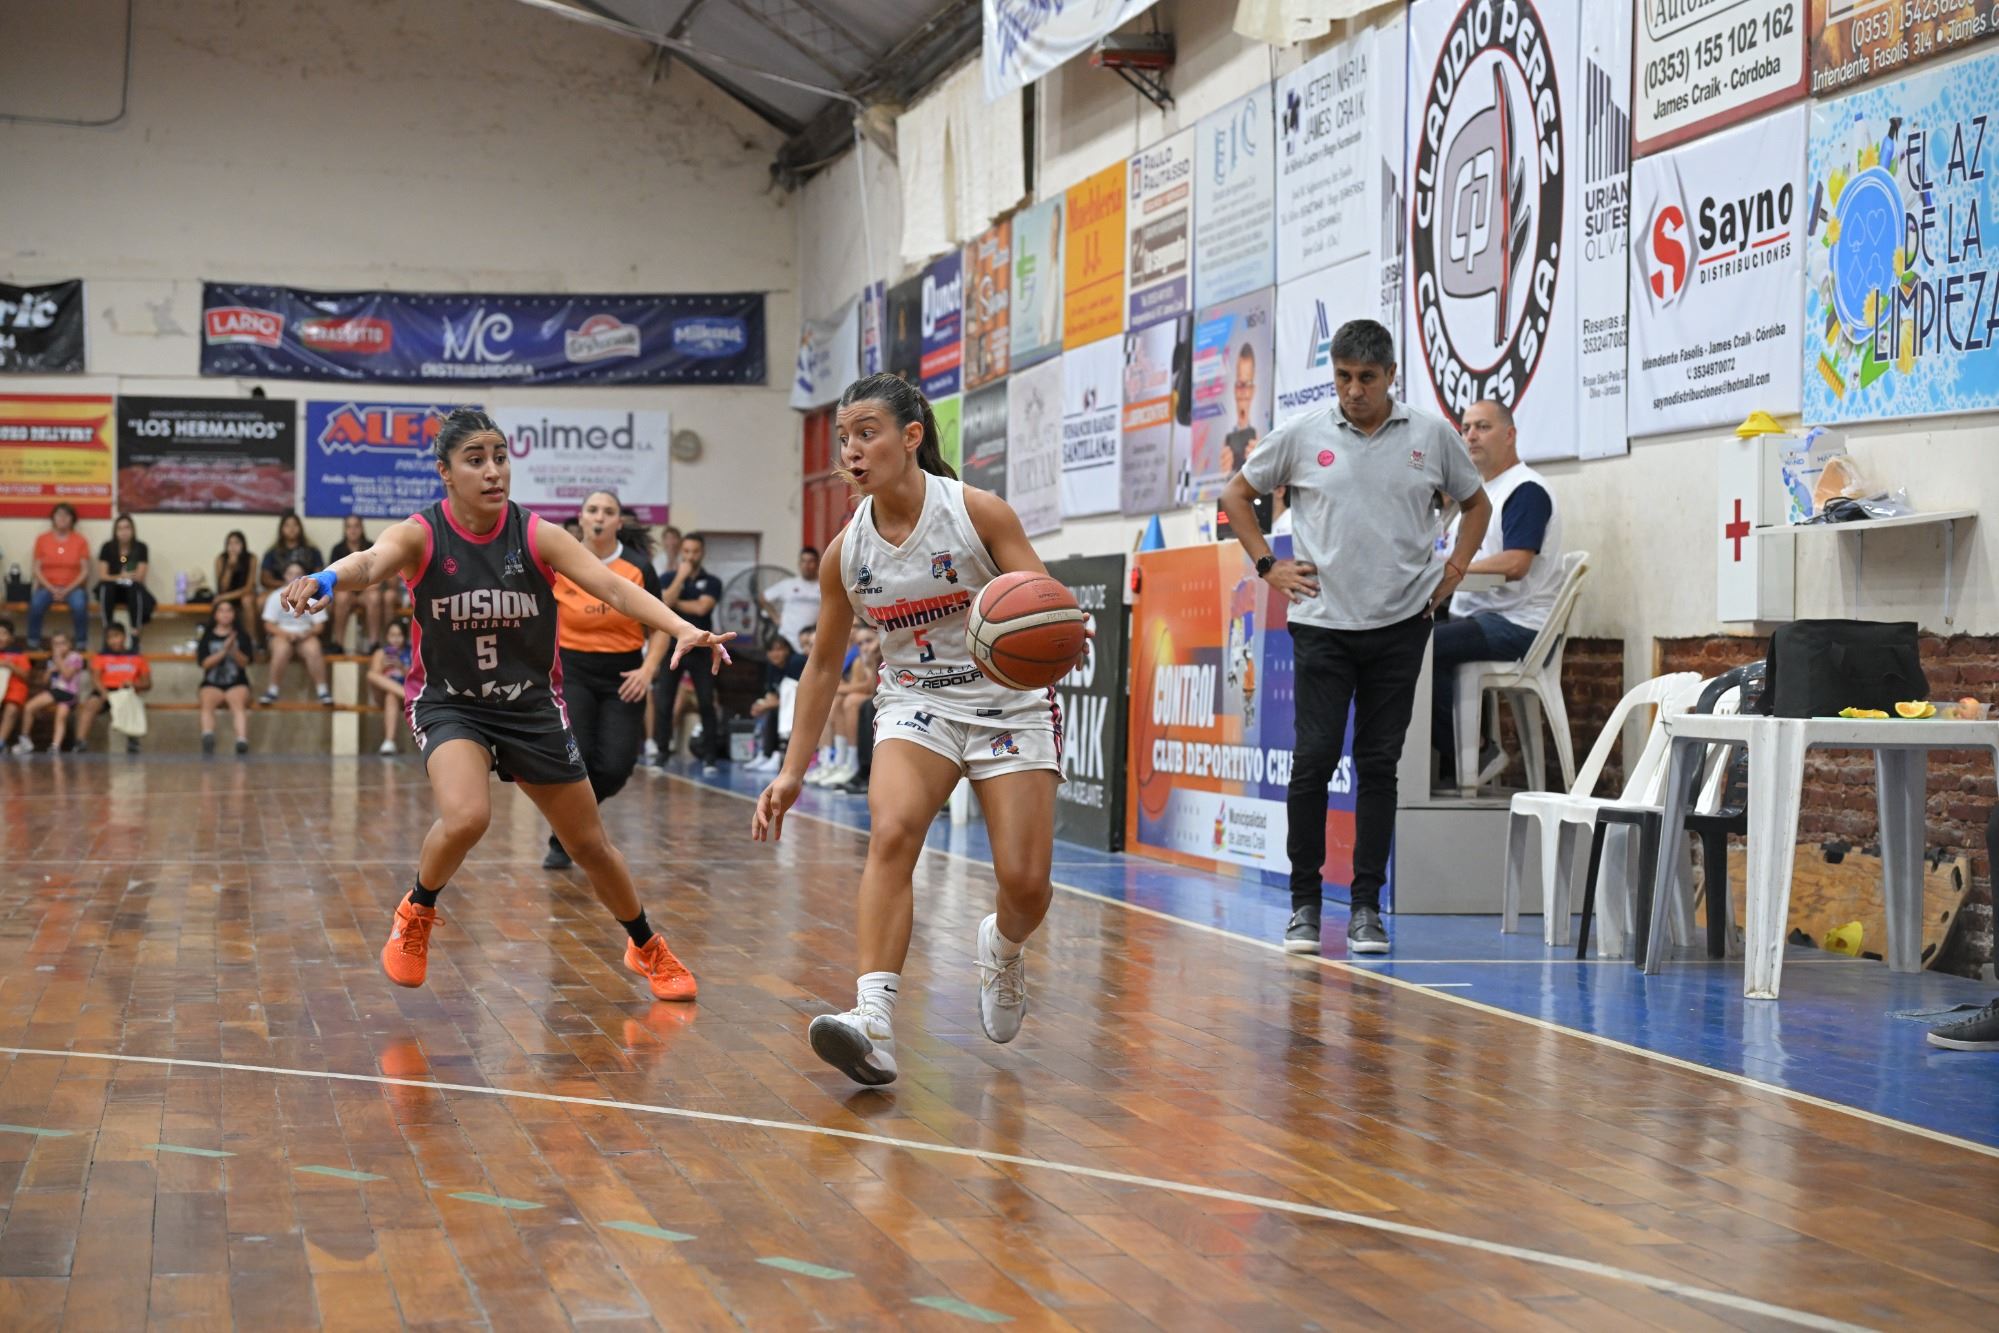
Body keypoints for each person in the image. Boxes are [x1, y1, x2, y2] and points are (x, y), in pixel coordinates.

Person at [277, 407, 732, 1001]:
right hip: (450, 703)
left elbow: (613, 587)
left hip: (529, 705)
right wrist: (327, 578)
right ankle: (416, 911)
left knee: (589, 846)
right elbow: (369, 562)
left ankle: (646, 945)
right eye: (475, 460)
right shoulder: (422, 534)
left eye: (499, 457)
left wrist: (682, 628)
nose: (493, 471)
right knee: (468, 817)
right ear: (445, 472)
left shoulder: (535, 534)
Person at [753, 373, 1076, 1088]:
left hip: (1008, 703)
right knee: (892, 832)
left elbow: (1048, 611)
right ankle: (871, 1017)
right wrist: (791, 769)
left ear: (910, 437)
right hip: (914, 702)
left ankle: (1003, 945)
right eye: (844, 437)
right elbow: (821, 667)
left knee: (1026, 884)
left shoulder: (976, 513)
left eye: (865, 433)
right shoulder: (847, 552)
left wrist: (1056, 635)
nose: (850, 450)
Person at [1220, 319, 1491, 958]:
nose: (1353, 390)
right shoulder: (1303, 433)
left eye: (1367, 378)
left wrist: (1454, 572)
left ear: (1391, 375)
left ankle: (1367, 907)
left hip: (1402, 625)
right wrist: (1268, 565)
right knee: (1313, 762)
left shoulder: (1431, 436)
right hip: (1323, 626)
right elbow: (1236, 494)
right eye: (1343, 377)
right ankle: (1305, 906)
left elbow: (1477, 504)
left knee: (1378, 766)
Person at [1433, 399, 1565, 788]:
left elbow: (1516, 563)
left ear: (1510, 435)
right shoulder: (1476, 496)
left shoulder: (1525, 490)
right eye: (1465, 428)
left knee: (1418, 648)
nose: (1471, 436)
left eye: (1482, 427)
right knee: (1397, 638)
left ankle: (1475, 753)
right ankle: (1448, 764)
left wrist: (1453, 569)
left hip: (1518, 625)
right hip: (1480, 617)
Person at [541, 489, 668, 870]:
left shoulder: (638, 567)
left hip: (624, 673)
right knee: (575, 758)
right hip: (572, 670)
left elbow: (661, 626)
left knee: (615, 766)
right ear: (580, 517)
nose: (599, 516)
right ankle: (567, 838)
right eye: (592, 509)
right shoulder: (559, 562)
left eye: (608, 511)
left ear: (618, 522)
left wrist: (648, 670)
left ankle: (568, 827)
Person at [653, 532, 725, 772]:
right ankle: (662, 753)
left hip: (701, 649)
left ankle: (710, 756)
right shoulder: (667, 577)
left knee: (706, 702)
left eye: (695, 551)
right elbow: (661, 604)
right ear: (680, 552)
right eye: (686, 551)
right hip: (672, 647)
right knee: (664, 701)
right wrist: (680, 578)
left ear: (702, 553)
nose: (690, 556)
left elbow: (703, 607)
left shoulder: (712, 581)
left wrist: (674, 602)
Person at [1214, 343, 1275, 540]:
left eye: (1247, 385)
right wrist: (1224, 475)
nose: (1243, 392)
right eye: (1240, 384)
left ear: (1254, 389)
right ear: (1234, 389)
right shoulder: (1226, 443)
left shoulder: (1265, 440)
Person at [261, 560, 333, 706]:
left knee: (314, 649)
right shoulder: (276, 596)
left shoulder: (313, 596)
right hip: (282, 634)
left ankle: (323, 691)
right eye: (290, 573)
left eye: (298, 574)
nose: (294, 577)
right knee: (281, 650)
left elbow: (319, 626)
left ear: (304, 576)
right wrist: (286, 635)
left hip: (305, 634)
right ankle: (272, 690)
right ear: (284, 576)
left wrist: (305, 634)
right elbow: (268, 624)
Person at [641, 524, 684, 763]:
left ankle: (661, 739)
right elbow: (664, 600)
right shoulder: (656, 566)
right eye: (667, 538)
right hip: (653, 630)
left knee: (673, 695)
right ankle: (652, 740)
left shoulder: (684, 564)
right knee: (651, 693)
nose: (671, 543)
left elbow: (700, 607)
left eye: (674, 538)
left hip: (677, 636)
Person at [74, 622, 151, 753]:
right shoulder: (100, 657)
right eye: (109, 638)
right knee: (90, 705)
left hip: (126, 691)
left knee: (130, 703)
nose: (113, 641)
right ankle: (80, 742)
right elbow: (95, 678)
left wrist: (134, 684)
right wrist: (104, 693)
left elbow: (147, 683)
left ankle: (133, 740)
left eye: (116, 636)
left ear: (124, 637)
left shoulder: (137, 657)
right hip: (105, 691)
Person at [196, 598, 256, 755]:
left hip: (237, 681)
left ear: (234, 614)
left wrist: (233, 650)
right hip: (212, 682)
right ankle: (208, 736)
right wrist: (223, 651)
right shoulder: (207, 637)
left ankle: (241, 741)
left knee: (237, 704)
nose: (225, 614)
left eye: (229, 611)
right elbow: (204, 663)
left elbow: (245, 662)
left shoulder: (242, 636)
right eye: (221, 611)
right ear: (215, 615)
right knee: (207, 702)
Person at [28, 502, 90, 650]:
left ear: (72, 519)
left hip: (73, 588)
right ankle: (33, 643)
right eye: (59, 515)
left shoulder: (80, 541)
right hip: (47, 587)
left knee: (80, 605)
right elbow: (36, 569)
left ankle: (81, 644)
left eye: (66, 515)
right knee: (35, 604)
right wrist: (52, 589)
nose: (62, 518)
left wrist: (66, 590)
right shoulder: (42, 539)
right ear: (53, 518)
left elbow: (85, 571)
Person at [329, 513, 391, 655]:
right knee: (341, 597)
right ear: (345, 529)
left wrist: (372, 583)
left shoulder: (371, 547)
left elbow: (379, 572)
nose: (353, 530)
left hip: (366, 592)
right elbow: (332, 576)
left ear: (362, 528)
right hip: (346, 592)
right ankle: (338, 643)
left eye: (356, 526)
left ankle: (374, 643)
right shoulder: (337, 549)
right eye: (349, 527)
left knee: (375, 596)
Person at [19, 630, 88, 754]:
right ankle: (24, 738)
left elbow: (67, 675)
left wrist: (58, 659)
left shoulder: (75, 657)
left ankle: (55, 746)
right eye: (55, 644)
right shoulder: (52, 659)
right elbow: (45, 681)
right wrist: (50, 671)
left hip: (68, 692)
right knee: (29, 707)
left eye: (62, 643)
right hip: (55, 690)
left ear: (69, 644)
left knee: (60, 717)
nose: (59, 647)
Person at [745, 634, 806, 772]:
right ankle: (764, 754)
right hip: (785, 705)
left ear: (787, 650)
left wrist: (767, 705)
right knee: (765, 710)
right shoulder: (772, 666)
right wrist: (760, 704)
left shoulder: (796, 662)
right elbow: (771, 693)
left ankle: (777, 754)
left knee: (774, 712)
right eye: (771, 650)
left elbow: (793, 694)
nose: (775, 654)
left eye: (779, 649)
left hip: (801, 704)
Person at [95, 513, 155, 648]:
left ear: (133, 530)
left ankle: (135, 634)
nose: (124, 532)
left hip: (131, 589)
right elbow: (103, 575)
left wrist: (126, 577)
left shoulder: (140, 547)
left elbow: (140, 576)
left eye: (127, 528)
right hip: (113, 589)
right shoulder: (107, 547)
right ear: (115, 531)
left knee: (136, 589)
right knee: (105, 587)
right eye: (120, 528)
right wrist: (120, 577)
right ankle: (108, 632)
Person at [759, 547, 822, 652]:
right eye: (803, 561)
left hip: (811, 641)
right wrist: (775, 617)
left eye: (811, 561)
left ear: (818, 563)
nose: (806, 565)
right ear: (799, 564)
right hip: (786, 640)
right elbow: (763, 598)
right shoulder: (788, 584)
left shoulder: (824, 586)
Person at [367, 618, 413, 756]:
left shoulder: (412, 652)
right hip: (382, 694)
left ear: (405, 637)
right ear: (387, 636)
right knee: (371, 675)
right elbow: (374, 677)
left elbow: (415, 679)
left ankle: (389, 742)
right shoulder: (380, 653)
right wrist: (383, 667)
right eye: (392, 635)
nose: (396, 639)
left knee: (391, 696)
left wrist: (401, 666)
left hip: (402, 696)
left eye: (399, 635)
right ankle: (411, 697)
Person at [213, 530, 260, 649]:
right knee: (222, 604)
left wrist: (223, 597)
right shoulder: (221, 559)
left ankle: (251, 641)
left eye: (237, 543)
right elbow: (222, 588)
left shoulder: (251, 558)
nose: (233, 547)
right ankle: (222, 641)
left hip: (243, 594)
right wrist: (230, 567)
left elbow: (249, 587)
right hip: (226, 595)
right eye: (230, 543)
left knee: (247, 600)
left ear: (243, 545)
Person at [260, 510, 323, 600]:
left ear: (300, 528)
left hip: (306, 589)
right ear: (281, 529)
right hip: (279, 589)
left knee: (325, 600)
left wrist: (302, 585)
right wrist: (285, 585)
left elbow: (319, 576)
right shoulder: (272, 552)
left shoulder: (313, 551)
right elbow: (265, 579)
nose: (291, 528)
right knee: (261, 600)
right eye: (287, 525)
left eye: (295, 525)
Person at [0, 619, 31, 753]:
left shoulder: (18, 654)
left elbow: (26, 676)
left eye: (4, 634)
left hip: (14, 689)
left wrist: (10, 665)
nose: (0, 637)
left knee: (11, 709)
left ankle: (1, 741)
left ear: (11, 638)